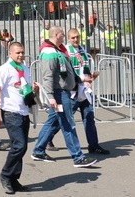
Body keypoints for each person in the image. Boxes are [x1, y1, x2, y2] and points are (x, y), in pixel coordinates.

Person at [30, 26, 97, 168]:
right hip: (59, 93)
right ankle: (77, 157)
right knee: (68, 124)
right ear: (56, 34)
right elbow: (47, 77)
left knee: (53, 122)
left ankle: (38, 150)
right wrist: (51, 97)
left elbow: (67, 72)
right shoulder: (49, 52)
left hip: (64, 91)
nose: (63, 37)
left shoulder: (57, 50)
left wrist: (80, 80)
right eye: (61, 34)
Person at [44, 28, 109, 155]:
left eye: (77, 37)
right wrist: (80, 79)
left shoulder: (82, 49)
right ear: (68, 38)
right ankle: (47, 140)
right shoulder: (66, 50)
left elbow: (83, 67)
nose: (76, 40)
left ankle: (93, 145)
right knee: (63, 119)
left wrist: (90, 76)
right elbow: (68, 71)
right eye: (73, 37)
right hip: (72, 90)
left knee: (89, 117)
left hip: (84, 90)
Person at [0, 41, 38, 194]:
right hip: (11, 113)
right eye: (17, 52)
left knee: (20, 147)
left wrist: (33, 89)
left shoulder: (24, 68)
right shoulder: (4, 69)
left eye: (22, 52)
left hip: (23, 111)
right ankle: (5, 175)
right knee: (20, 145)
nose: (20, 55)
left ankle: (13, 178)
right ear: (10, 53)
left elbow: (24, 88)